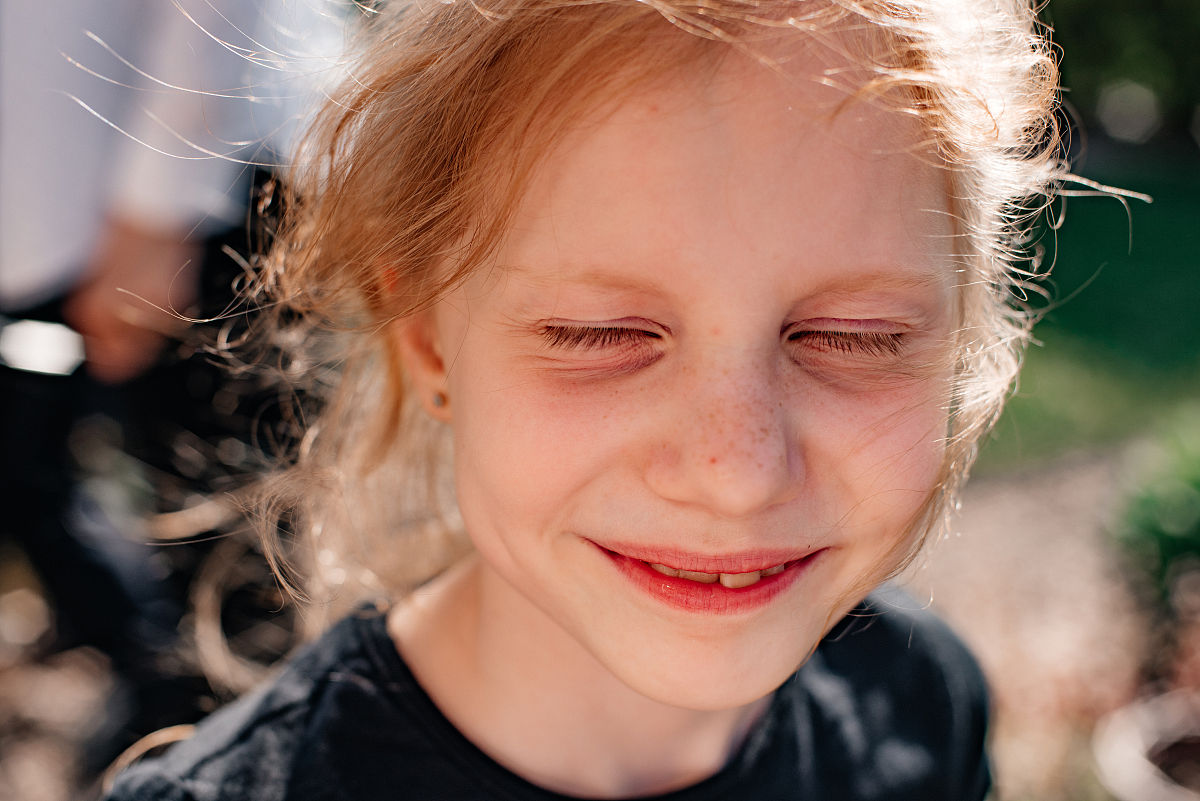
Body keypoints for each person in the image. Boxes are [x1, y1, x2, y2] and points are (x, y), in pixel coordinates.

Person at [102, 1, 1064, 798]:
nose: (737, 473)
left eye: (850, 337)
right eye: (600, 334)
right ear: (430, 340)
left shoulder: (919, 701)